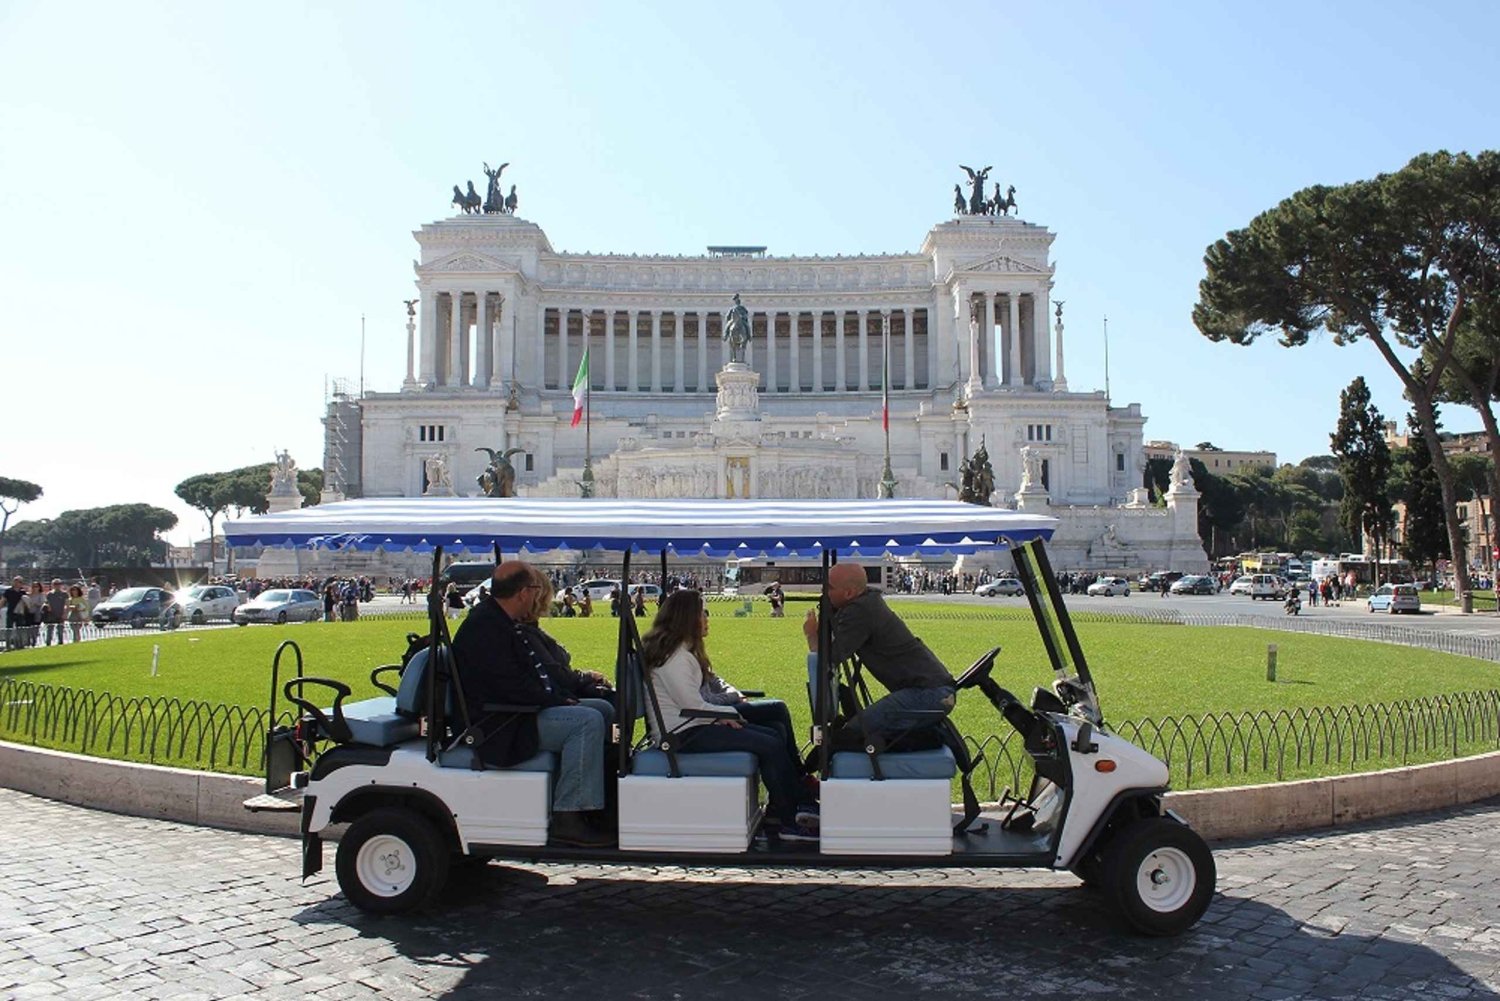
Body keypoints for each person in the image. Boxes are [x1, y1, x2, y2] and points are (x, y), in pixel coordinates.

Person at [451, 561, 615, 848]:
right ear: (523, 592)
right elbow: (509, 685)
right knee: (586, 721)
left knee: (602, 709)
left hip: (514, 710)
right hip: (498, 723)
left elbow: (529, 677)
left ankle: (600, 801)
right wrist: (555, 699)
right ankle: (569, 815)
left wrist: (559, 696)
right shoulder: (486, 628)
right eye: (535, 589)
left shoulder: (499, 621)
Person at [641, 589, 816, 841]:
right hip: (682, 733)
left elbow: (697, 701)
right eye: (702, 613)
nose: (706, 618)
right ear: (688, 618)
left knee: (773, 734)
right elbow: (691, 705)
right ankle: (790, 818)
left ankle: (787, 806)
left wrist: (725, 713)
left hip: (693, 724)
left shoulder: (681, 652)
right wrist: (728, 713)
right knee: (770, 742)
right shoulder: (674, 659)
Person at [802, 562, 957, 740]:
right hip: (934, 691)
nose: (824, 593)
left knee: (852, 734)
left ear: (849, 593)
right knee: (853, 731)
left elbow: (831, 657)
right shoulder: (867, 602)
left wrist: (811, 634)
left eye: (829, 588)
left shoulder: (860, 611)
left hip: (928, 693)